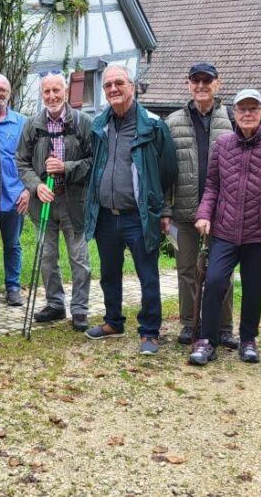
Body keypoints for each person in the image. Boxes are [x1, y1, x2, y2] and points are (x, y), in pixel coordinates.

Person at [188, 89, 261, 365]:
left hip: (259, 232)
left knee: (252, 286)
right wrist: (204, 214)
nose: (248, 114)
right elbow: (212, 186)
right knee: (214, 281)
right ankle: (207, 340)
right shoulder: (223, 145)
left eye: (253, 109)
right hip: (224, 229)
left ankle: (248, 339)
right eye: (242, 109)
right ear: (234, 113)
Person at [84, 65, 178, 355]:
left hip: (138, 217)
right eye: (108, 85)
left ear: (132, 86)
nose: (113, 89)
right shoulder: (100, 124)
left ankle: (149, 331)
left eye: (119, 83)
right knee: (109, 272)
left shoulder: (152, 125)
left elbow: (167, 170)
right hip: (105, 215)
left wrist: (160, 209)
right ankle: (113, 321)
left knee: (147, 275)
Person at [163, 63, 237, 349]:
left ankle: (224, 326)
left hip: (223, 212)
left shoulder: (230, 117)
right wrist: (166, 210)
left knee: (222, 273)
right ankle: (188, 324)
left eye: (207, 81)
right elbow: (166, 170)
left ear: (217, 84)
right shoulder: (173, 122)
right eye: (196, 81)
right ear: (188, 84)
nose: (201, 86)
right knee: (187, 269)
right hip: (184, 210)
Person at [15, 72, 94, 330]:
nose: (51, 96)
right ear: (42, 94)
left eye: (56, 90)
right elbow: (21, 161)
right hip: (44, 202)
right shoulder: (33, 124)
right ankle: (55, 304)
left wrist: (66, 167)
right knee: (47, 257)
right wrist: (36, 187)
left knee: (79, 258)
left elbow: (94, 162)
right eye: (47, 91)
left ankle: (80, 309)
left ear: (66, 90)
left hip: (74, 202)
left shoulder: (83, 123)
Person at [0, 74, 29, 306]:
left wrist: (28, 189)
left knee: (13, 243)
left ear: (9, 94)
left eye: (3, 90)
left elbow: (32, 160)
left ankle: (13, 287)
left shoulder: (23, 123)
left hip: (14, 195)